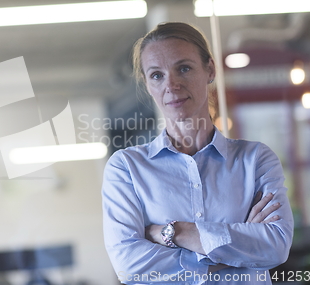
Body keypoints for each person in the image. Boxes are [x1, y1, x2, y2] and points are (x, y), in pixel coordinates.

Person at [102, 22, 294, 284]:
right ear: (147, 85)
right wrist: (237, 249)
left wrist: (175, 233)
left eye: (183, 68)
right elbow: (130, 266)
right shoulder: (126, 168)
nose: (171, 85)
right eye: (157, 75)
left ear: (210, 70)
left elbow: (276, 245)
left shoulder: (255, 160)